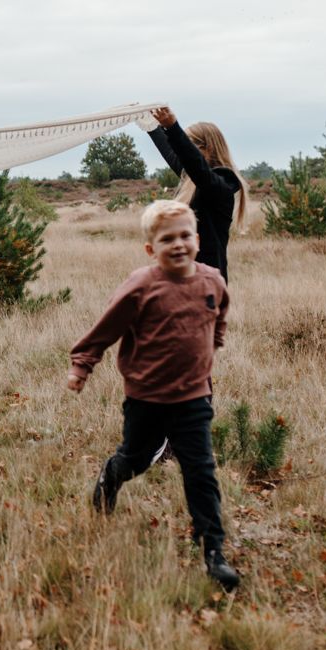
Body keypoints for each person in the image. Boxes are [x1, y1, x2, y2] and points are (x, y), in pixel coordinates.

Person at [66, 200, 240, 591]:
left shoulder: (211, 280)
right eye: (167, 239)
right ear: (151, 249)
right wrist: (82, 365)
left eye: (184, 236)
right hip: (146, 397)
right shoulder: (142, 285)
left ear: (196, 239)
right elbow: (105, 328)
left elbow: (220, 312)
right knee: (137, 459)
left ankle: (214, 551)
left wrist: (216, 341)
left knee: (201, 472)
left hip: (194, 398)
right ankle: (111, 476)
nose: (177, 245)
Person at [142, 106, 248, 282]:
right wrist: (152, 127)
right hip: (183, 277)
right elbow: (175, 156)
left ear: (207, 148)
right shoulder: (194, 179)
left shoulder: (221, 185)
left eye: (189, 144)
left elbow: (194, 164)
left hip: (207, 284)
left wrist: (173, 127)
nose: (182, 152)